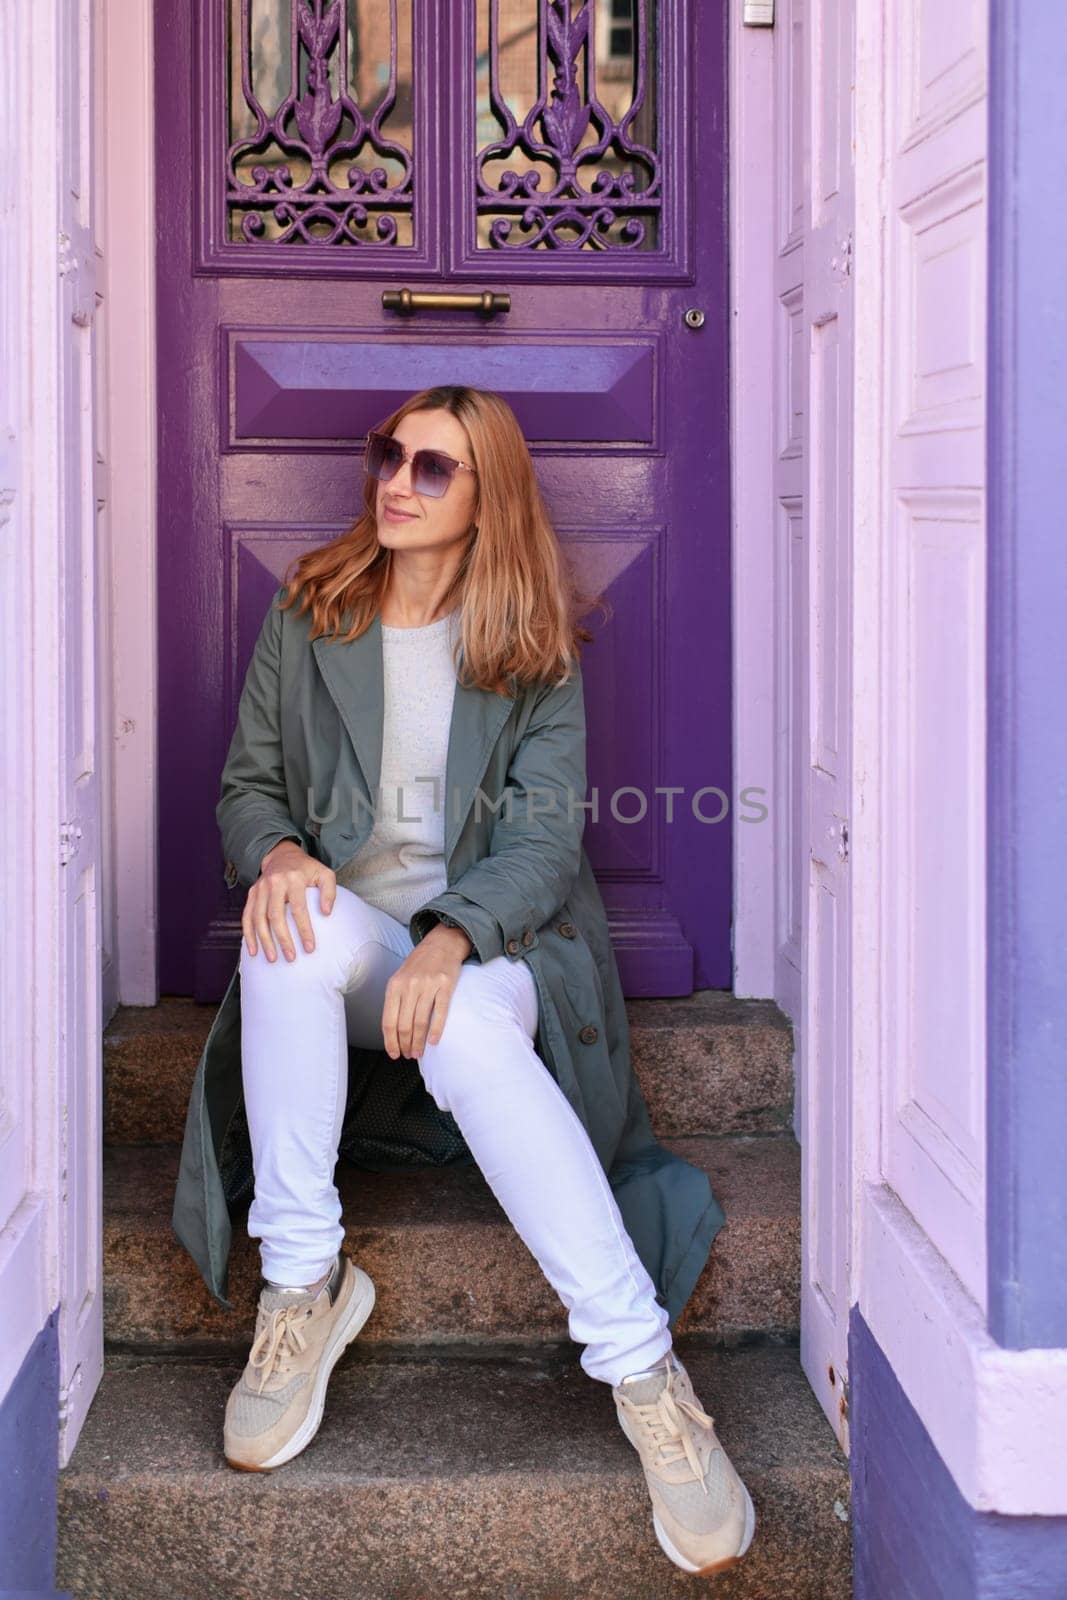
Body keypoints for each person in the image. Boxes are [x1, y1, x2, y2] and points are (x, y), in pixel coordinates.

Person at [200, 384, 755, 1576]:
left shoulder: (529, 648)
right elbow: (248, 789)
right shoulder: (312, 615)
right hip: (353, 947)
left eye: (432, 468)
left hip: (501, 951)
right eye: (387, 454)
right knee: (284, 927)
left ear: (484, 495)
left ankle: (643, 1371)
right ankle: (301, 1286)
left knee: (460, 1033)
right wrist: (281, 851)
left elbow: (544, 849)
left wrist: (450, 938)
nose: (395, 481)